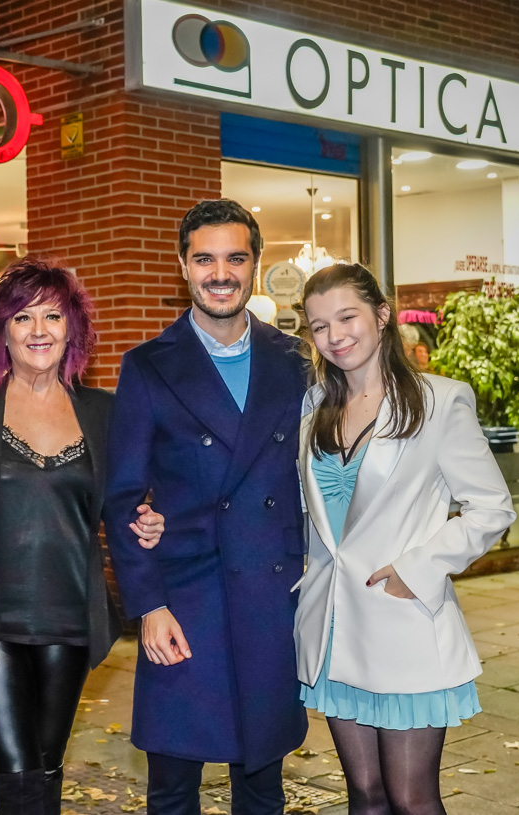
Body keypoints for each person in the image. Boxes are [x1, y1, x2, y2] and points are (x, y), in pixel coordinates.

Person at [0, 258, 164, 815]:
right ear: (0, 332)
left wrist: (151, 518)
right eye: (23, 317)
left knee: (48, 762)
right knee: (15, 771)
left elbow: (127, 502)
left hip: (70, 616)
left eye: (53, 316)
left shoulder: (105, 413)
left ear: (72, 328)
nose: (39, 330)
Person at [104, 199, 309, 815]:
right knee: (171, 786)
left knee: (262, 786)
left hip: (273, 596)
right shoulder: (147, 366)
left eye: (235, 258)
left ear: (255, 264)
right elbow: (120, 500)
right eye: (205, 259)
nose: (220, 273)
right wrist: (148, 605)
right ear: (183, 266)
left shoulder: (295, 359)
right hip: (185, 601)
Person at [293, 262, 515, 815]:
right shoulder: (314, 407)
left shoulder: (439, 402)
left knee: (411, 798)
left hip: (402, 622)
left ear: (382, 315)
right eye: (319, 326)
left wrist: (418, 570)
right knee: (364, 796)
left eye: (347, 317)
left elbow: (492, 508)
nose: (335, 335)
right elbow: (313, 515)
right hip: (332, 629)